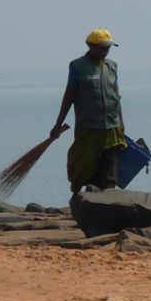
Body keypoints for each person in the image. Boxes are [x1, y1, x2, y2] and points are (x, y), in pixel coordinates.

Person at [50, 28, 127, 192]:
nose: (105, 51)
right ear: (90, 45)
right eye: (102, 47)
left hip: (111, 127)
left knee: (110, 165)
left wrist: (121, 121)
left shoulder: (112, 66)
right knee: (81, 165)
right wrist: (58, 124)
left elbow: (116, 95)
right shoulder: (78, 66)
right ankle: (78, 200)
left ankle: (108, 199)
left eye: (108, 47)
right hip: (88, 127)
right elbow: (68, 97)